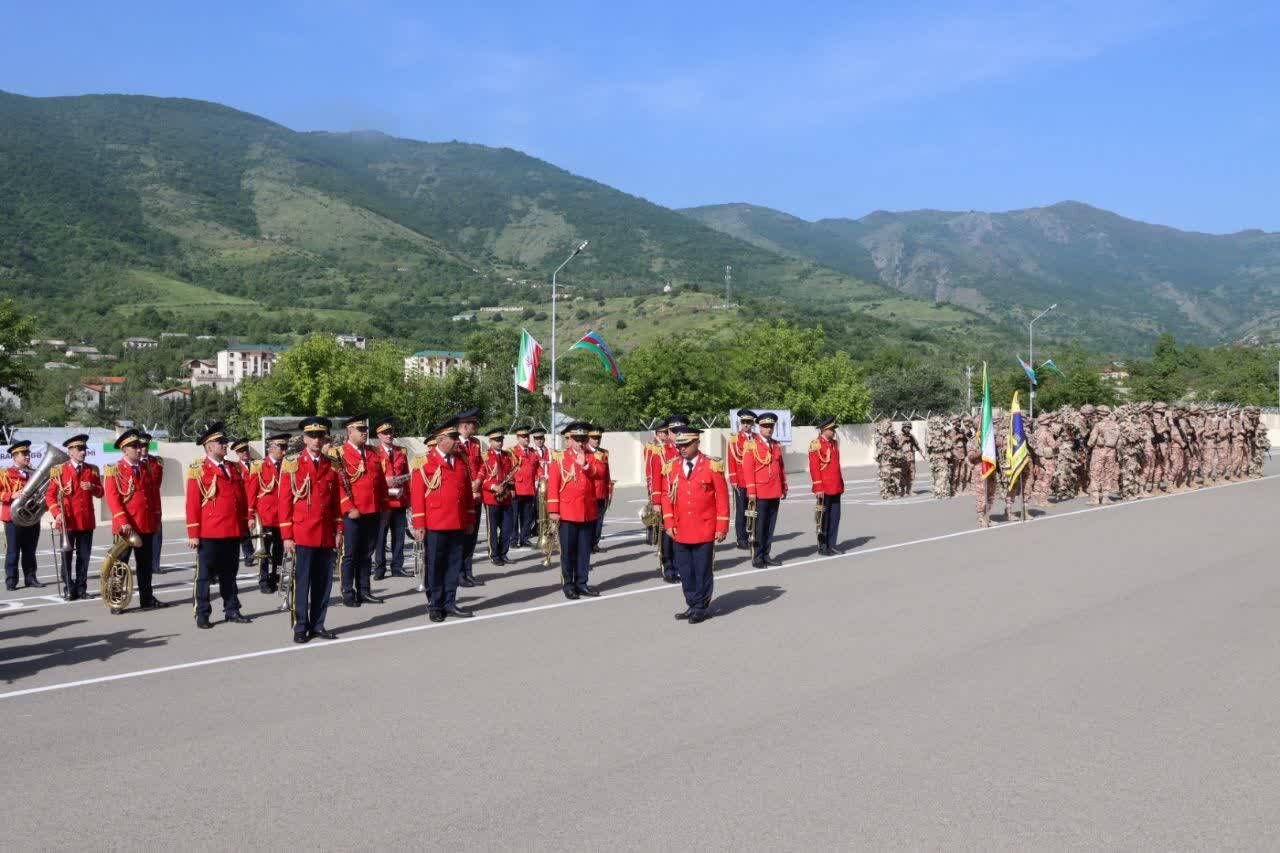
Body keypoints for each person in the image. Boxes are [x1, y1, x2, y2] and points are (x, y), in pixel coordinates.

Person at [279, 418, 342, 643]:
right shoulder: (292, 463)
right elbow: (284, 502)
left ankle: (318, 625)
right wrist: (287, 536)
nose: (316, 440)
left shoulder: (332, 464)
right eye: (312, 436)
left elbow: (336, 502)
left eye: (320, 436)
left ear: (325, 438)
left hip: (325, 535)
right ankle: (300, 627)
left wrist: (338, 531)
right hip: (303, 534)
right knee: (302, 583)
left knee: (323, 584)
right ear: (304, 439)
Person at [660, 425, 729, 624]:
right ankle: (691, 603)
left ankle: (701, 606)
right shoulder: (671, 466)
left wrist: (721, 526)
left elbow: (722, 498)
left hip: (704, 527)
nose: (682, 448)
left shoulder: (711, 465)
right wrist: (669, 522)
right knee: (685, 570)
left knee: (702, 569)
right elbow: (666, 497)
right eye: (679, 444)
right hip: (681, 527)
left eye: (686, 444)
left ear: (697, 443)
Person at [186, 423, 251, 628]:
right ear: (208, 447)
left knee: (230, 574)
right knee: (204, 576)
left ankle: (232, 609)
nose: (225, 445)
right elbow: (192, 504)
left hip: (231, 531)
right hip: (210, 532)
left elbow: (240, 501)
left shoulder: (233, 467)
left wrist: (243, 528)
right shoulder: (198, 469)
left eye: (225, 441)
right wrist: (193, 533)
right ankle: (202, 613)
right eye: (220, 442)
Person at [410, 419, 476, 622]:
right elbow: (418, 496)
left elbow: (466, 495)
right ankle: (435, 604)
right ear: (440, 440)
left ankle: (449, 601)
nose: (457, 441)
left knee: (453, 565)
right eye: (453, 437)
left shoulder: (460, 462)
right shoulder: (425, 463)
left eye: (457, 437)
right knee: (436, 565)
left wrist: (470, 518)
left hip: (456, 522)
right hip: (435, 524)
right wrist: (419, 524)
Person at [105, 429, 167, 609]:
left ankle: (146, 598)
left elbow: (153, 495)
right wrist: (123, 522)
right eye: (135, 447)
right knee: (120, 564)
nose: (139, 449)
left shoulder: (146, 467)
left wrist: (156, 518)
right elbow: (113, 499)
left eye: (140, 446)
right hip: (126, 527)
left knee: (145, 565)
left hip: (145, 524)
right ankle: (115, 600)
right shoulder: (114, 470)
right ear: (124, 450)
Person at [334, 415, 388, 606]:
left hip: (373, 511)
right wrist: (349, 507)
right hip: (353, 513)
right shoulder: (339, 454)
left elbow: (379, 482)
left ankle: (364, 590)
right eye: (360, 430)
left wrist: (384, 506)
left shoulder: (373, 452)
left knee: (366, 553)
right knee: (350, 554)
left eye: (365, 430)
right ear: (350, 432)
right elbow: (338, 485)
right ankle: (348, 591)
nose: (365, 433)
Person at [45, 434, 103, 600]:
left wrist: (92, 487)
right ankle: (69, 587)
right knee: (67, 557)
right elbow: (50, 496)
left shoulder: (92, 470)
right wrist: (57, 513)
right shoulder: (59, 470)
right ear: (70, 451)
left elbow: (101, 492)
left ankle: (81, 588)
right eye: (79, 449)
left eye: (84, 449)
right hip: (68, 521)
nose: (83, 452)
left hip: (85, 520)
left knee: (84, 558)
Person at [547, 421, 601, 600]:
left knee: (584, 551)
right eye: (576, 439)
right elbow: (553, 485)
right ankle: (568, 585)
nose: (580, 443)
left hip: (587, 511)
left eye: (583, 439)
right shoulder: (560, 458)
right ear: (568, 440)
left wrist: (585, 465)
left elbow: (599, 474)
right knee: (568, 552)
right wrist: (553, 509)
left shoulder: (592, 457)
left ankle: (582, 583)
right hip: (568, 512)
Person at [741, 412, 787, 568]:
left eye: (771, 426)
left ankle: (766, 554)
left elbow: (780, 468)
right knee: (758, 526)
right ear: (759, 427)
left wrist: (784, 486)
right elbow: (748, 469)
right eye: (765, 426)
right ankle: (757, 556)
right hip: (760, 492)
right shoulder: (751, 444)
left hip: (774, 490)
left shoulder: (775, 445)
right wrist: (751, 491)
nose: (769, 429)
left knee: (770, 525)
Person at [248, 432, 289, 594]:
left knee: (280, 553)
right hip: (264, 518)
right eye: (282, 447)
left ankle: (276, 577)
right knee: (263, 553)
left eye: (286, 447)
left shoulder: (287, 465)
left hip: (282, 519)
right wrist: (250, 515)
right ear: (271, 447)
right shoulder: (259, 466)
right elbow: (251, 493)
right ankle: (264, 580)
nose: (284, 451)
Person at [374, 418, 411, 579]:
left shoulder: (401, 452)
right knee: (380, 537)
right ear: (379, 435)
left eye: (390, 432)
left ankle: (397, 566)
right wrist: (385, 481)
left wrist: (410, 501)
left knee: (399, 536)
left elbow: (408, 476)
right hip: (383, 501)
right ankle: (379, 569)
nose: (389, 436)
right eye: (385, 433)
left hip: (399, 499)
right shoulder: (374, 452)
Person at [1, 440, 42, 589]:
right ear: (14, 456)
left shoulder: (33, 473)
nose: (27, 456)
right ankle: (11, 580)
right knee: (13, 551)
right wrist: (11, 495)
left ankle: (31, 578)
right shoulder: (5, 474)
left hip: (31, 517)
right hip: (13, 518)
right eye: (24, 454)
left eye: (28, 453)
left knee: (30, 550)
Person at [647, 416, 682, 582]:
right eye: (674, 431)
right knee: (667, 535)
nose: (677, 434)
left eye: (680, 430)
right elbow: (655, 476)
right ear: (668, 432)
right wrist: (656, 501)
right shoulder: (660, 451)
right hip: (667, 498)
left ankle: (680, 565)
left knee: (682, 534)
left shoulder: (687, 449)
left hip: (683, 500)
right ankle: (668, 566)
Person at [453, 409, 485, 586]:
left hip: (476, 494)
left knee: (472, 535)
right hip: (463, 497)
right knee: (461, 537)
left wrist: (478, 480)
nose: (475, 427)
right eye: (473, 424)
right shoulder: (455, 443)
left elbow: (481, 465)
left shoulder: (476, 443)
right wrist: (468, 486)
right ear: (464, 426)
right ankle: (458, 573)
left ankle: (468, 571)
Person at [808, 416, 845, 555]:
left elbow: (836, 466)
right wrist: (818, 487)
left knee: (835, 517)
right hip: (823, 488)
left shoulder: (834, 443)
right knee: (823, 518)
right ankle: (823, 546)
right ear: (824, 429)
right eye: (831, 429)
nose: (834, 431)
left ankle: (832, 544)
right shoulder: (816, 444)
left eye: (834, 429)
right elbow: (814, 467)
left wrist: (840, 483)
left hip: (835, 486)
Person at [481, 426, 515, 566]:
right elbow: (480, 477)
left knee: (507, 528)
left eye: (501, 439)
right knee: (493, 530)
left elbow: (511, 473)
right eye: (496, 440)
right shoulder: (485, 456)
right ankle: (494, 555)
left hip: (506, 496)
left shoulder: (507, 455)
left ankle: (503, 553)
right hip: (491, 497)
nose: (499, 442)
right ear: (490, 441)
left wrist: (512, 487)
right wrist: (492, 486)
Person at [726, 410, 756, 549]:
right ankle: (741, 538)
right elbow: (732, 459)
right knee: (741, 510)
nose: (746, 425)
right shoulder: (735, 439)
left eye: (749, 422)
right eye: (744, 422)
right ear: (740, 423)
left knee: (753, 509)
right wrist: (733, 479)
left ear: (752, 424)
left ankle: (752, 534)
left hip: (755, 480)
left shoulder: (756, 438)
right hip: (741, 480)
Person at [138, 431, 165, 576]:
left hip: (154, 505)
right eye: (141, 445)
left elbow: (157, 484)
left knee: (157, 536)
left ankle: (155, 565)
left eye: (146, 445)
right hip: (140, 507)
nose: (144, 448)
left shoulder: (156, 462)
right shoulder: (134, 463)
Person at [229, 437, 258, 568]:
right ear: (237, 453)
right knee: (245, 531)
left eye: (245, 449)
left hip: (259, 502)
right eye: (241, 451)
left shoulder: (259, 464)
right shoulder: (235, 467)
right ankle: (249, 554)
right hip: (245, 503)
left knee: (263, 531)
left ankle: (264, 553)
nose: (244, 452)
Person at [510, 425, 539, 547]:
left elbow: (537, 468)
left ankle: (524, 538)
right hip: (517, 488)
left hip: (529, 488)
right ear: (518, 438)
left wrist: (540, 478)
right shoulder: (512, 451)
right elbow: (509, 470)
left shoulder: (533, 452)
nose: (526, 439)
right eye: (523, 437)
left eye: (527, 436)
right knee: (514, 516)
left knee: (526, 516)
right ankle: (513, 539)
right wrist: (511, 487)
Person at [585, 425, 613, 553]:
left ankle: (595, 543)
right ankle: (587, 545)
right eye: (594, 438)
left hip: (601, 492)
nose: (597, 440)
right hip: (589, 492)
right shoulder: (584, 452)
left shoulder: (603, 453)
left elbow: (607, 473)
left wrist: (608, 490)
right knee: (589, 521)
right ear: (588, 438)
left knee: (599, 520)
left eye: (598, 438)